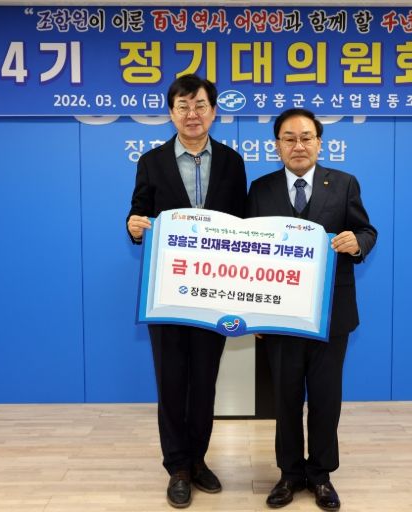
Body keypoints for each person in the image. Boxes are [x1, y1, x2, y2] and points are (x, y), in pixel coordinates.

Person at [126, 74, 247, 508]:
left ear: (213, 112)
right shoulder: (152, 161)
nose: (192, 114)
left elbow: (243, 226)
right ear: (171, 113)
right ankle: (176, 466)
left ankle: (198, 459)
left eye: (200, 105)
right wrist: (134, 227)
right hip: (168, 292)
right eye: (183, 106)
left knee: (205, 381)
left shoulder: (232, 162)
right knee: (172, 381)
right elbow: (138, 213)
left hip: (216, 293)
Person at [247, 108, 377, 511]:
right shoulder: (260, 189)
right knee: (284, 399)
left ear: (320, 143)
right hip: (279, 315)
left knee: (325, 397)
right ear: (277, 146)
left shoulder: (344, 183)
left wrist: (357, 243)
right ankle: (289, 474)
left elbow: (367, 230)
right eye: (289, 138)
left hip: (331, 313)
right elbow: (248, 252)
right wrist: (253, 312)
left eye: (306, 137)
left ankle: (321, 475)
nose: (298, 145)